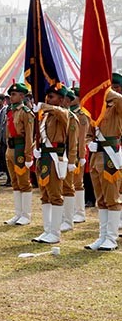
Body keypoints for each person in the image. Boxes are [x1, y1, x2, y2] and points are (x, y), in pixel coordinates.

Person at [85, 82, 122, 251]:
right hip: (96, 156)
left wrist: (107, 91)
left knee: (112, 198)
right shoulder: (95, 107)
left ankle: (111, 238)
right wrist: (89, 142)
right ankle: (102, 236)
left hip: (110, 156)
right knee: (101, 199)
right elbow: (88, 133)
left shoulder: (116, 105)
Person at [31, 83, 70, 244]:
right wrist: (35, 148)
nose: (48, 99)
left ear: (61, 99)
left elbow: (64, 114)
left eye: (52, 97)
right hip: (44, 157)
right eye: (47, 96)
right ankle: (47, 230)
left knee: (55, 195)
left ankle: (55, 232)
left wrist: (45, 107)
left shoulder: (63, 114)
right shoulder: (45, 116)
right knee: (45, 195)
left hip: (55, 158)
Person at [3, 82, 35, 227]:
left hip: (21, 148)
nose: (11, 97)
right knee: (15, 181)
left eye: (14, 94)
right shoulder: (10, 110)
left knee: (24, 182)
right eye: (11, 94)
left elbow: (29, 136)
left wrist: (28, 155)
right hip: (10, 148)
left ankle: (26, 215)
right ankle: (18, 213)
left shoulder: (26, 113)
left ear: (22, 96)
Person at [59, 88, 80, 233]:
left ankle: (68, 220)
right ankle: (61, 218)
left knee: (67, 187)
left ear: (68, 101)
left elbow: (73, 143)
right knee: (57, 188)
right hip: (56, 156)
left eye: (63, 99)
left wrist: (72, 161)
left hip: (67, 156)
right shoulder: (55, 115)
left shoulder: (72, 118)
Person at [69, 86, 90, 224]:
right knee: (68, 184)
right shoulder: (68, 113)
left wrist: (81, 155)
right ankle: (71, 211)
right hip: (68, 151)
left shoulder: (82, 115)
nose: (69, 100)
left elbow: (82, 137)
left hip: (77, 151)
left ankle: (79, 212)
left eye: (72, 97)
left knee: (77, 183)